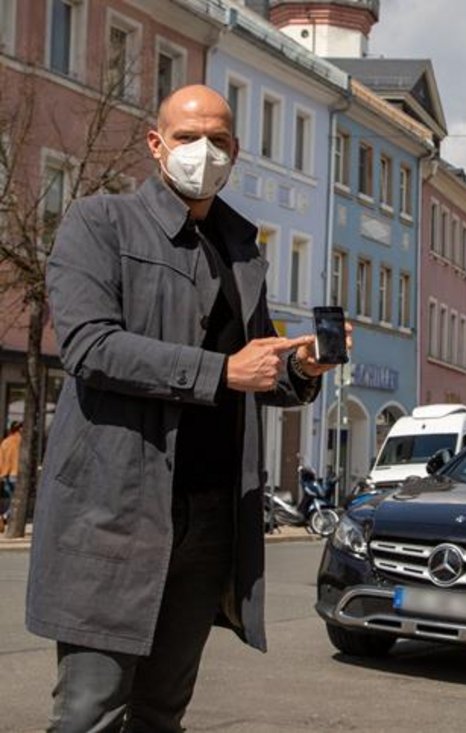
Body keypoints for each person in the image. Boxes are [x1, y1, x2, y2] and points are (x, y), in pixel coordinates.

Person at [25, 85, 349, 732]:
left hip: (207, 519)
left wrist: (297, 369)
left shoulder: (240, 247)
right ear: (155, 144)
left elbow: (252, 371)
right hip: (115, 511)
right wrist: (223, 370)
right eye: (187, 137)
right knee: (91, 712)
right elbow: (91, 347)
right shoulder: (99, 222)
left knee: (162, 711)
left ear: (237, 152)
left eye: (219, 141)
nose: (204, 151)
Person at [0, 420, 21, 530]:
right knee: (15, 500)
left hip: (7, 474)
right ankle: (5, 516)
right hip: (18, 473)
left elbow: (1, 459)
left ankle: (6, 517)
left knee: (12, 499)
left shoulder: (5, 442)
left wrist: (2, 474)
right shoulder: (22, 441)